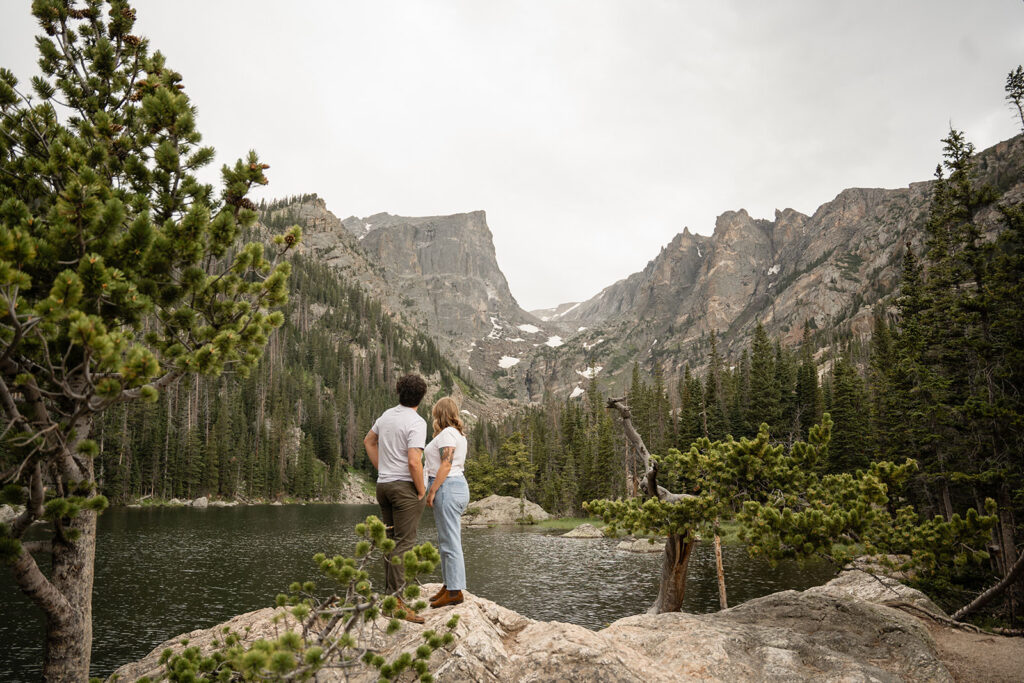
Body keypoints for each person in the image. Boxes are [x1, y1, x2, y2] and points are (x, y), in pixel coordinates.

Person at [364, 373, 428, 623]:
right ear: (421, 398)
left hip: (383, 486)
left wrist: (383, 469)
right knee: (404, 543)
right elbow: (414, 461)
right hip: (403, 489)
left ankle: (390, 599)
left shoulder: (386, 416)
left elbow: (369, 441)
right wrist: (421, 490)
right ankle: (397, 603)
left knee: (390, 541)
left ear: (399, 392)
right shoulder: (417, 422)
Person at [423, 396, 470, 607]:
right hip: (454, 487)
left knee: (450, 542)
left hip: (448, 487)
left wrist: (432, 491)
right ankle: (449, 584)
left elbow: (446, 464)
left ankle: (455, 591)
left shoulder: (448, 433)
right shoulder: (457, 434)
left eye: (435, 413)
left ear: (439, 414)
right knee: (446, 541)